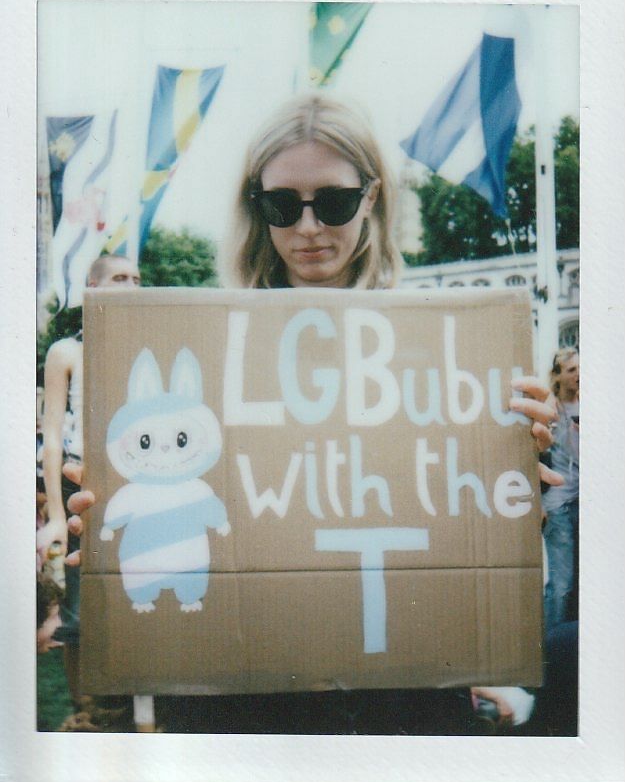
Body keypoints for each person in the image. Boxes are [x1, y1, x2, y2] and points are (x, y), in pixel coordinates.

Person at [65, 95, 559, 733]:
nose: (307, 228)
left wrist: (515, 467)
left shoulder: (451, 359)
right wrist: (104, 513)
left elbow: (465, 535)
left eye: (333, 202)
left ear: (371, 197)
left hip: (400, 700)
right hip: (243, 705)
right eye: (281, 205)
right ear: (256, 206)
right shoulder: (205, 352)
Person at [36, 254, 141, 699]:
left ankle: (135, 711)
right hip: (80, 480)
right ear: (93, 287)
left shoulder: (144, 347)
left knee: (136, 600)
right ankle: (84, 711)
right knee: (78, 609)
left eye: (136, 279)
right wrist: (57, 516)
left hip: (135, 481)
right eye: (120, 278)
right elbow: (52, 436)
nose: (131, 286)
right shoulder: (66, 352)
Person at [541, 348, 579, 633]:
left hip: (585, 501)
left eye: (581, 369)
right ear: (557, 376)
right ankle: (551, 646)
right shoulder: (550, 409)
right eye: (571, 370)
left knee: (581, 582)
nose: (579, 375)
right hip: (558, 505)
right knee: (562, 583)